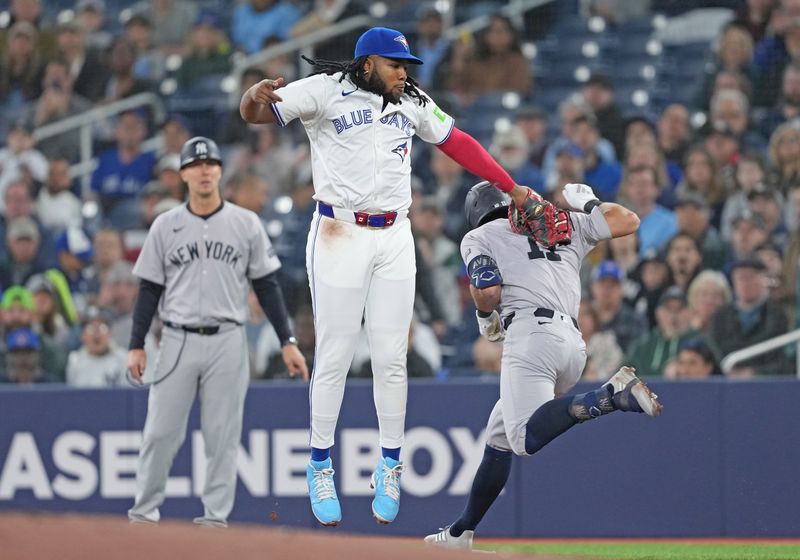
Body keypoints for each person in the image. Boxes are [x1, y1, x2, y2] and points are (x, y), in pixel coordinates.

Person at [240, 26, 541, 527]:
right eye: (396, 64)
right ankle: (319, 465)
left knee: (391, 357)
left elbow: (458, 141)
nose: (405, 73)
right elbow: (257, 114)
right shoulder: (323, 91)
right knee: (334, 354)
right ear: (366, 65)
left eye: (407, 66)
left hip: (394, 234)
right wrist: (252, 97)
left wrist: (510, 187)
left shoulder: (412, 99)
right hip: (340, 230)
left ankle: (390, 464)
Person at [424, 181, 661, 550]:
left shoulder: (480, 235)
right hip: (572, 344)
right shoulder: (564, 221)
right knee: (500, 433)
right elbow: (628, 220)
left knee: (522, 439)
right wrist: (590, 203)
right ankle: (460, 533)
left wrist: (484, 314)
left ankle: (609, 396)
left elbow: (487, 290)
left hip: (531, 335)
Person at [126, 136, 309, 528]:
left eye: (211, 163)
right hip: (176, 338)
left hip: (228, 338)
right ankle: (142, 514)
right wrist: (136, 344)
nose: (205, 170)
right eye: (196, 165)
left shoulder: (245, 223)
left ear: (221, 171)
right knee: (159, 432)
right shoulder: (165, 225)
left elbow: (267, 286)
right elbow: (148, 289)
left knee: (222, 436)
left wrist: (287, 340)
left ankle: (214, 520)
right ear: (184, 175)